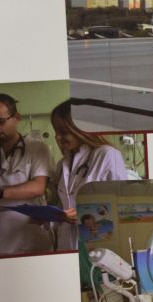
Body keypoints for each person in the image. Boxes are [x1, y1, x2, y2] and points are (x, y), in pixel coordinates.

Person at [0, 92, 54, 257]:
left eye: (0, 121)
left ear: (16, 118)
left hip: (30, 240)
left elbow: (38, 187)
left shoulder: (37, 149)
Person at [48, 102, 133, 250]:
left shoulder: (107, 155)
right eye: (56, 131)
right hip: (66, 244)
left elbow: (122, 204)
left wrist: (82, 214)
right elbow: (63, 205)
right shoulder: (62, 165)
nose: (57, 137)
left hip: (97, 242)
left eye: (63, 131)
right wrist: (51, 216)